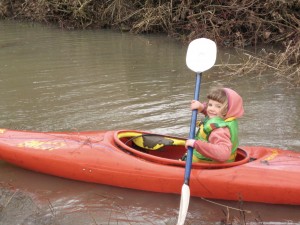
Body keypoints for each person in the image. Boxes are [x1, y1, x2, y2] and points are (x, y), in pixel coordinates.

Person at [184, 86, 244, 163]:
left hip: (208, 167)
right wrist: (202, 108)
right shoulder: (226, 118)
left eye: (218, 106)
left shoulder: (219, 130)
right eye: (210, 105)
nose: (211, 109)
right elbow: (215, 116)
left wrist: (196, 144)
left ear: (228, 109)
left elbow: (223, 154)